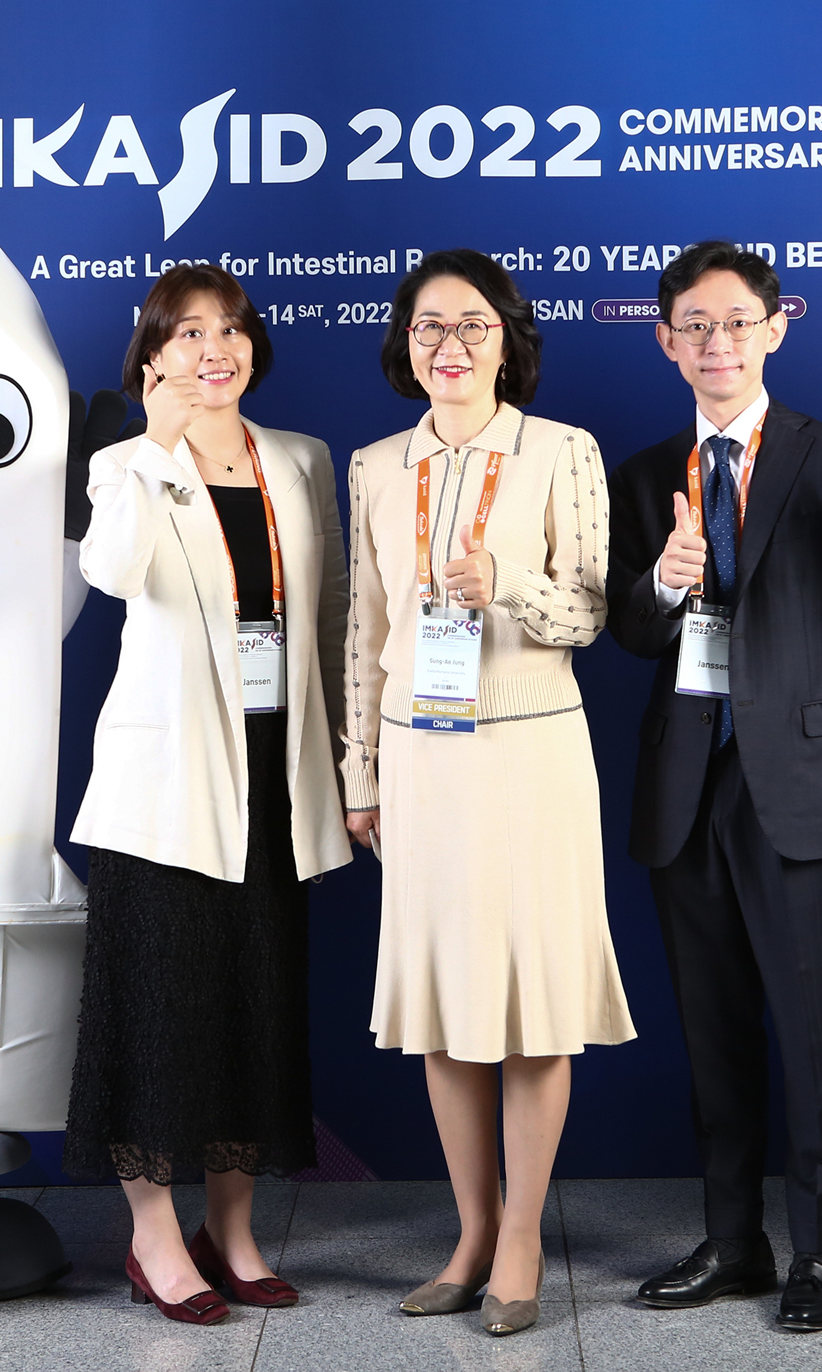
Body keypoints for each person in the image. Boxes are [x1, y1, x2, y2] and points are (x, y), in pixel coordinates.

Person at [604, 240, 822, 1333]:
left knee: (812, 1028)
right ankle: (732, 1239)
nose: (717, 343)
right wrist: (663, 582)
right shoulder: (645, 474)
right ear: (665, 341)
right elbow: (629, 631)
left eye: (736, 322)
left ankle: (820, 1249)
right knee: (714, 1032)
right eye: (694, 325)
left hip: (798, 785)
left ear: (775, 328)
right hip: (684, 784)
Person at [340, 249, 635, 1337]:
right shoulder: (375, 465)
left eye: (472, 324)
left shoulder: (561, 450)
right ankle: (469, 1233)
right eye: (429, 326)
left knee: (529, 1000)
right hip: (420, 757)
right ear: (404, 344)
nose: (450, 345)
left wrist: (505, 584)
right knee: (442, 1004)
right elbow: (363, 628)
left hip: (529, 750)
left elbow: (590, 614)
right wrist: (359, 769)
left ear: (507, 340)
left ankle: (520, 1235)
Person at [63, 264, 352, 1325]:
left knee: (253, 1009)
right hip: (167, 784)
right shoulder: (122, 464)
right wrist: (156, 445)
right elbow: (112, 573)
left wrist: (349, 760)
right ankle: (153, 1237)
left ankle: (230, 1231)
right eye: (187, 333)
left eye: (228, 329)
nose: (212, 349)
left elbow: (328, 616)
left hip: (277, 775)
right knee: (157, 1015)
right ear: (152, 355)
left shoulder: (300, 459)